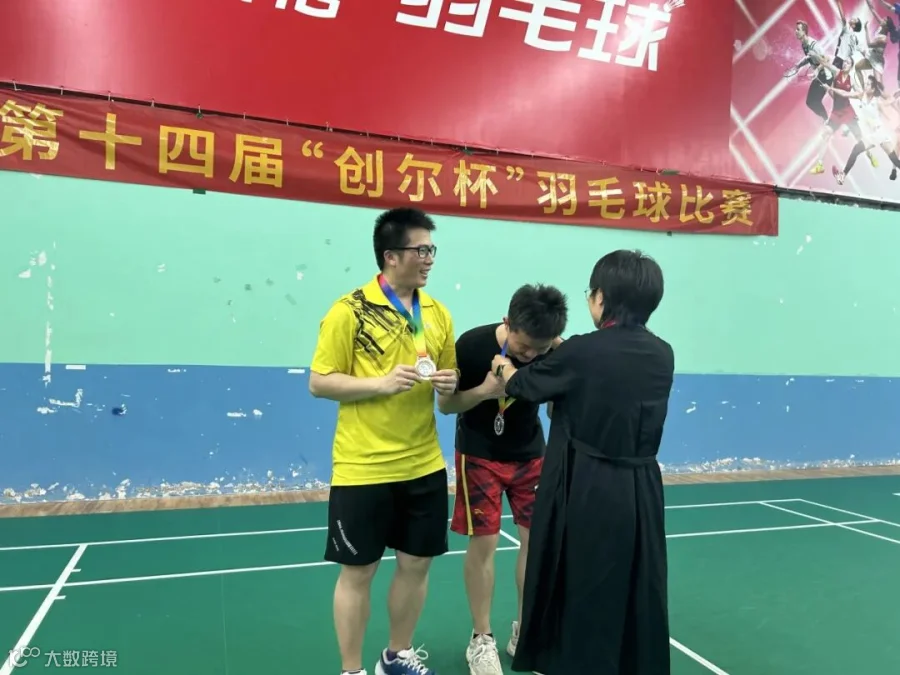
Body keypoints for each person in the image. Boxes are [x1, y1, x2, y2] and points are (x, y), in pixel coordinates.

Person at [491, 250, 675, 675]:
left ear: (601, 298)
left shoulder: (582, 351)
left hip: (586, 484)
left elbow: (525, 385)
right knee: (635, 580)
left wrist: (502, 368)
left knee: (582, 583)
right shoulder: (662, 353)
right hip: (642, 487)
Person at [309, 207, 459, 675]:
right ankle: (352, 670)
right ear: (391, 256)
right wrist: (379, 383)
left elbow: (448, 394)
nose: (429, 258)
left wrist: (451, 384)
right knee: (358, 572)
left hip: (424, 465)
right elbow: (319, 381)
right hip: (363, 467)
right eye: (421, 250)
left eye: (432, 249)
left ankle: (396, 655)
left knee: (416, 566)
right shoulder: (349, 310)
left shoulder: (437, 314)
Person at [437, 284, 569, 675]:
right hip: (479, 454)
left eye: (539, 350)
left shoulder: (556, 351)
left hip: (531, 455)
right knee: (486, 542)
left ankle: (525, 631)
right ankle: (481, 638)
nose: (529, 356)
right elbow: (447, 405)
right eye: (523, 346)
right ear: (507, 322)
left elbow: (556, 403)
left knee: (536, 541)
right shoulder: (472, 345)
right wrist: (486, 390)